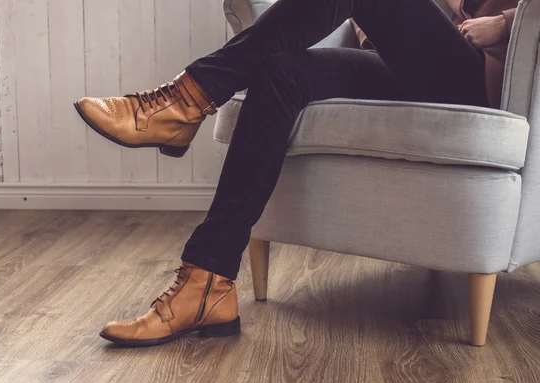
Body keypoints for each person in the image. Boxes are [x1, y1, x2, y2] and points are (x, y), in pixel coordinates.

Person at [74, 0, 519, 346]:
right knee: (282, 72)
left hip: (481, 80)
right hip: (409, 63)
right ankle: (207, 282)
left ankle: (184, 100)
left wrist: (504, 22)